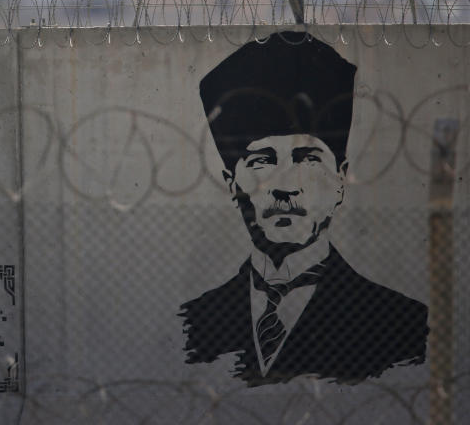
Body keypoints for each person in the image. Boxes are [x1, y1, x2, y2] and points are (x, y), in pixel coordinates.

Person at [180, 31, 428, 385]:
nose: (285, 186)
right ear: (232, 184)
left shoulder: (401, 325)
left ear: (341, 180)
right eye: (262, 161)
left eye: (308, 159)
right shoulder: (197, 321)